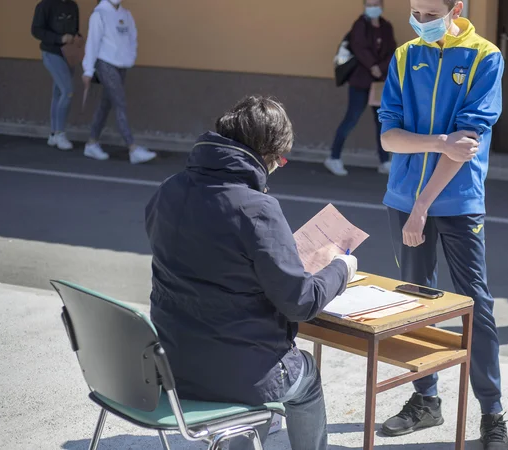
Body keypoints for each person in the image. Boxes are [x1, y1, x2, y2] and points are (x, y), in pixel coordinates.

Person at [145, 95, 358, 450]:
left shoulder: (168, 189)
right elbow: (300, 303)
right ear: (267, 155)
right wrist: (341, 267)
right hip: (239, 374)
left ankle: (246, 432)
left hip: (173, 366)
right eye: (281, 159)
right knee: (303, 376)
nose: (279, 166)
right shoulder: (257, 209)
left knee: (245, 365)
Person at [377, 1, 508, 448]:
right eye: (416, 8)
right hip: (403, 201)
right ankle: (425, 401)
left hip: (457, 203)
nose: (421, 17)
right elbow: (387, 136)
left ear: (455, 8)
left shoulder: (485, 56)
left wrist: (423, 206)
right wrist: (437, 142)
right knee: (415, 301)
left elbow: (466, 144)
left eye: (431, 10)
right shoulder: (403, 55)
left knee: (476, 305)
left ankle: (492, 414)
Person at [324, 0, 397, 177]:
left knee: (381, 122)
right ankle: (334, 157)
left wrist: (381, 67)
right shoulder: (360, 25)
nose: (373, 7)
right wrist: (373, 65)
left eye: (376, 4)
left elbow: (392, 50)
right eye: (369, 4)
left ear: (382, 5)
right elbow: (359, 47)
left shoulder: (386, 26)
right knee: (351, 118)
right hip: (360, 82)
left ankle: (384, 161)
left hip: (380, 82)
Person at [81, 0, 156, 164]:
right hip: (105, 63)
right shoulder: (99, 14)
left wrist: (130, 57)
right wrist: (88, 69)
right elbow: (92, 43)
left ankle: (91, 143)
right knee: (120, 103)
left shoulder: (126, 15)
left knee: (106, 104)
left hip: (122, 65)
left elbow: (132, 37)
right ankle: (132, 148)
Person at [31, 0, 80, 151]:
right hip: (51, 53)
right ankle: (60, 133)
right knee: (68, 91)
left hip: (68, 54)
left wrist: (77, 37)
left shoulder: (73, 6)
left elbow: (75, 29)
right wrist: (59, 39)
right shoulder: (45, 5)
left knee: (58, 93)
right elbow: (36, 30)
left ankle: (53, 134)